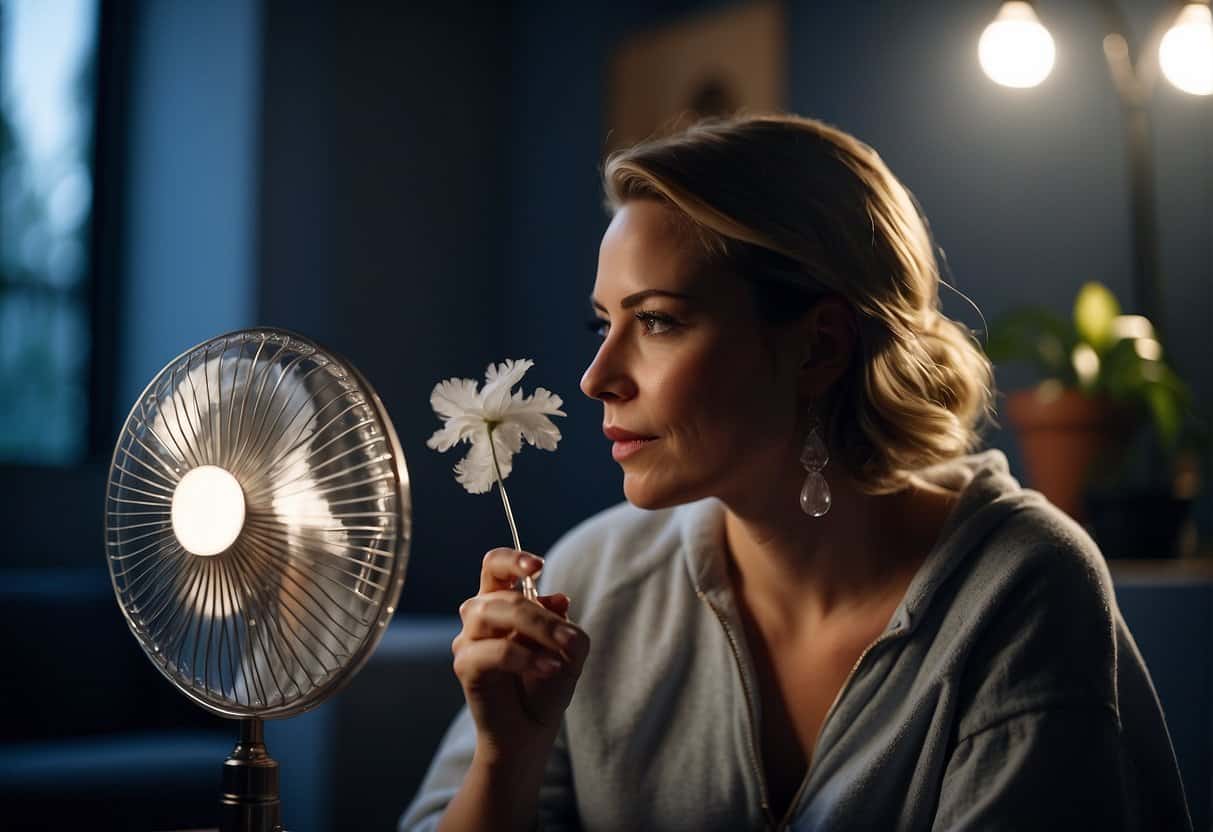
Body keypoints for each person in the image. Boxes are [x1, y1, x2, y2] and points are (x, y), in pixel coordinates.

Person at [400, 114, 1191, 831]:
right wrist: (509, 757)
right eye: (602, 324)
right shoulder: (591, 579)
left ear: (818, 347)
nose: (596, 376)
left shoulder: (1018, 590)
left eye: (657, 322)